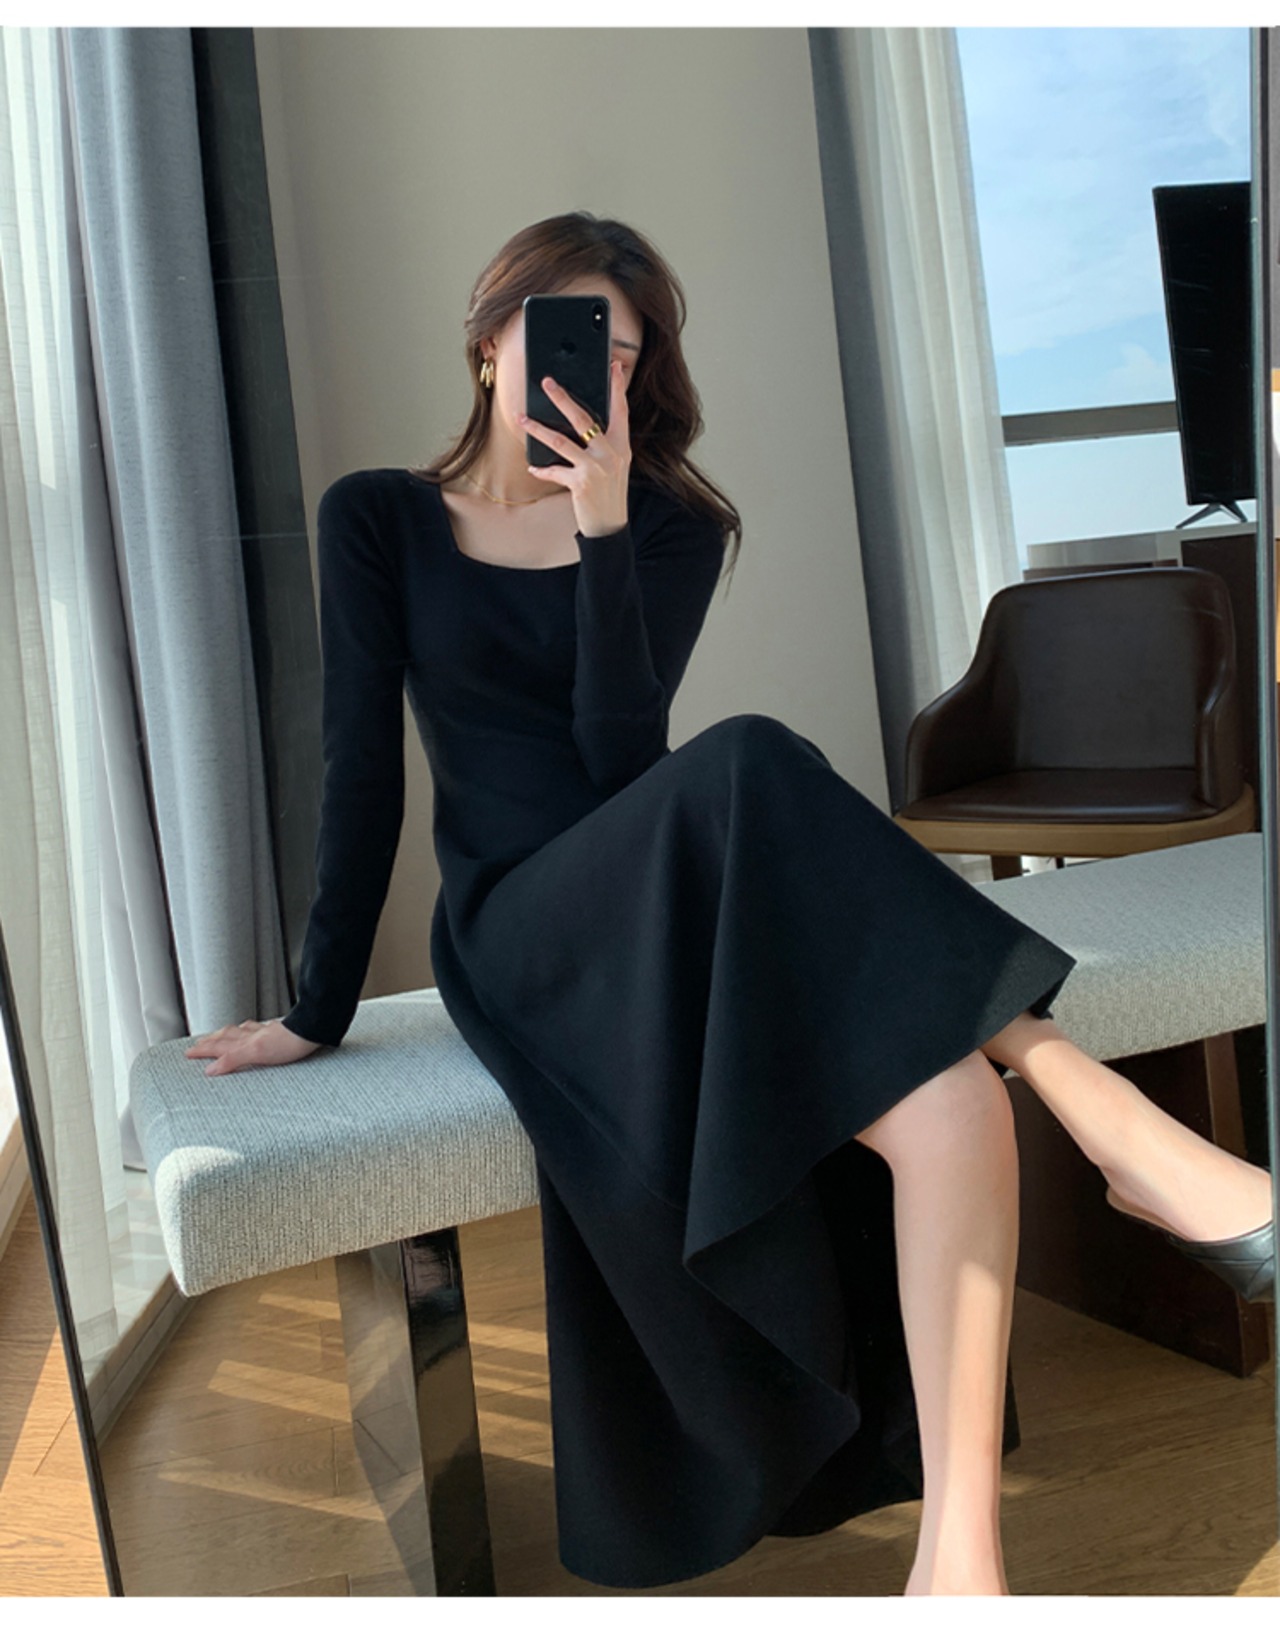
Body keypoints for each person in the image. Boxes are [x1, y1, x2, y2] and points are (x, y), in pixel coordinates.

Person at [186, 211, 1275, 1597]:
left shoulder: (673, 524)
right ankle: (1106, 1111)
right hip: (525, 928)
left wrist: (602, 530)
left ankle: (960, 1562)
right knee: (754, 753)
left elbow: (618, 760)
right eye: (561, 333)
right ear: (489, 340)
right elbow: (361, 775)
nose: (593, 371)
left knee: (952, 1101)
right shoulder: (377, 517)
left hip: (681, 899)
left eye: (621, 353)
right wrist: (315, 1009)